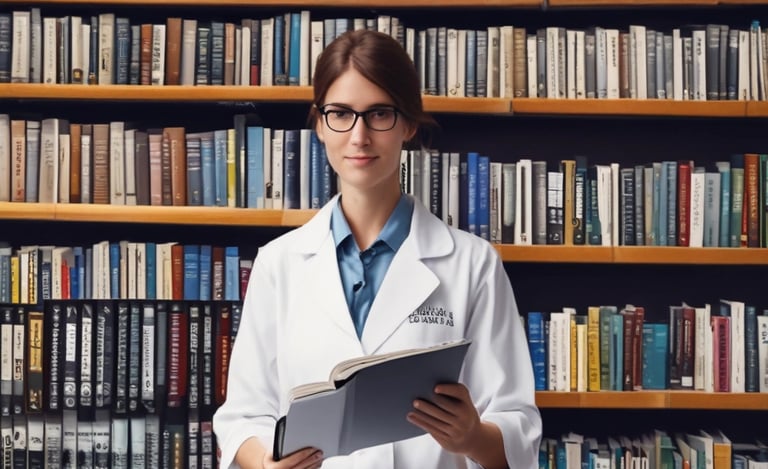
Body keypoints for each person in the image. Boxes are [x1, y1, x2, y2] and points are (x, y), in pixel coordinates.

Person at [213, 29, 542, 469]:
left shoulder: (473, 264)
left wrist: (473, 437)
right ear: (319, 123)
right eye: (341, 114)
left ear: (407, 124)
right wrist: (264, 463)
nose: (359, 135)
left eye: (379, 114)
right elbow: (243, 415)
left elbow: (517, 420)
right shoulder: (279, 263)